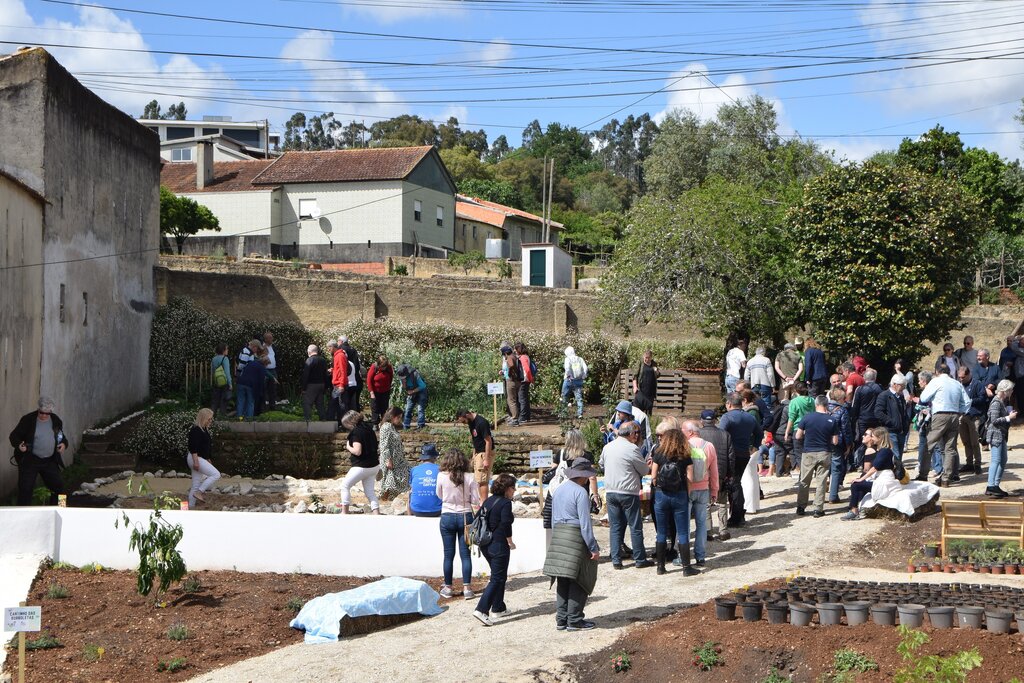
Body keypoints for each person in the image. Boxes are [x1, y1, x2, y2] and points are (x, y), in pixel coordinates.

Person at [543, 459, 601, 631]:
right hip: (574, 537)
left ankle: (561, 619)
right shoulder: (581, 492)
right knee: (579, 578)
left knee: (562, 578)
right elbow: (585, 524)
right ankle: (575, 619)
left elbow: (553, 519)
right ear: (583, 476)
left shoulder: (559, 490)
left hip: (559, 534)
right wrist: (593, 547)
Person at [599, 421, 652, 569]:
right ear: (631, 434)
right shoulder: (632, 449)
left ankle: (616, 560)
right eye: (636, 433)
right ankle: (640, 559)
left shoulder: (608, 447)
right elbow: (643, 470)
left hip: (610, 491)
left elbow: (601, 464)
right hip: (628, 492)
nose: (637, 436)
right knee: (635, 526)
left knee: (615, 526)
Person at [473, 473, 517, 626]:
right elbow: (506, 524)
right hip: (498, 545)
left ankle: (498, 607)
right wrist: (510, 541)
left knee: (500, 575)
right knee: (497, 578)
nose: (515, 490)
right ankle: (481, 609)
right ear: (506, 488)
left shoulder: (488, 501)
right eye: (513, 487)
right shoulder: (505, 503)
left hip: (485, 544)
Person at [650, 429, 695, 576]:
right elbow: (690, 479)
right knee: (682, 532)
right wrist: (687, 495)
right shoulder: (685, 455)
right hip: (680, 494)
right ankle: (686, 568)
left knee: (661, 532)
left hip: (661, 495)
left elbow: (654, 477)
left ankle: (660, 567)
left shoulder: (658, 454)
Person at [436, 448, 480, 600]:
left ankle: (448, 587)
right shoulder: (469, 477)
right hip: (465, 516)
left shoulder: (441, 476)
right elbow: (475, 500)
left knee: (448, 555)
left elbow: (439, 495)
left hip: (447, 515)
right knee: (465, 555)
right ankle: (467, 588)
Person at [9, 396, 68, 506]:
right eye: (42, 413)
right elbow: (14, 436)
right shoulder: (28, 419)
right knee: (25, 488)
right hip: (30, 460)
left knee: (59, 486)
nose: (44, 415)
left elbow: (61, 436)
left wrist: (64, 444)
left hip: (49, 460)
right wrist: (19, 445)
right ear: (38, 409)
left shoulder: (55, 420)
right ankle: (22, 514)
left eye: (47, 413)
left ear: (50, 412)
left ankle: (61, 508)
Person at [917, 367, 970, 487]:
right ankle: (946, 479)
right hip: (954, 415)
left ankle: (923, 474)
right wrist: (960, 411)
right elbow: (967, 402)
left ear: (937, 372)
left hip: (940, 414)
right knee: (950, 448)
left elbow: (923, 398)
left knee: (928, 445)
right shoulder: (957, 383)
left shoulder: (936, 381)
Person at [542, 430, 600, 533]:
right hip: (581, 490)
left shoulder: (561, 453)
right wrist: (595, 495)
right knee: (580, 517)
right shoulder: (587, 455)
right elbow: (592, 477)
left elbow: (554, 471)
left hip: (562, 490)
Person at [718, 392, 759, 527]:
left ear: (729, 404)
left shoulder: (727, 417)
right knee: (737, 483)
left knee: (734, 484)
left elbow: (721, 434)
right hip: (744, 454)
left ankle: (737, 516)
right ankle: (738, 514)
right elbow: (759, 433)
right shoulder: (750, 418)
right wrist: (754, 447)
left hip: (731, 454)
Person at [681, 420, 718, 568]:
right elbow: (714, 471)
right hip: (703, 489)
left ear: (690, 432)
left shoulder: (684, 446)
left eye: (682, 429)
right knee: (702, 524)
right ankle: (700, 556)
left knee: (684, 524)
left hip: (687, 488)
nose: (681, 432)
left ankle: (682, 556)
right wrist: (714, 490)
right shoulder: (709, 446)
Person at [795, 395, 839, 518]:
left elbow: (798, 436)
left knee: (804, 480)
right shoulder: (832, 420)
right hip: (824, 452)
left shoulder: (807, 417)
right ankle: (818, 509)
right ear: (827, 405)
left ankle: (801, 507)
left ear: (816, 404)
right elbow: (835, 441)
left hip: (808, 452)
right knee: (821, 481)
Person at [842, 427, 897, 520]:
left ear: (879, 438)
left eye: (873, 436)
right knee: (860, 485)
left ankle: (854, 511)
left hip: (884, 482)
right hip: (882, 479)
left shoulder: (884, 451)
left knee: (856, 485)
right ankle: (858, 507)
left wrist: (861, 479)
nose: (872, 438)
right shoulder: (884, 450)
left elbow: (874, 468)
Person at [699, 409, 734, 541]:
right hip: (720, 472)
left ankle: (708, 531)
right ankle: (723, 530)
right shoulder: (725, 434)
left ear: (701, 420)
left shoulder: (698, 435)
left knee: (706, 504)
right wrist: (729, 474)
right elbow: (731, 457)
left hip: (703, 473)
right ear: (715, 420)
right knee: (722, 503)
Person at [339, 410, 380, 514]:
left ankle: (345, 512)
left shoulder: (356, 432)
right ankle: (376, 513)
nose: (347, 427)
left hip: (361, 466)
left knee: (345, 486)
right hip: (374, 465)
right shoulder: (368, 428)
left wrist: (348, 447)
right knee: (370, 492)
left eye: (346, 425)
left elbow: (357, 451)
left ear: (350, 422)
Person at [456, 408, 494, 502]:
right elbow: (475, 439)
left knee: (482, 480)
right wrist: (474, 454)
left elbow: (488, 441)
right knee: (478, 479)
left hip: (484, 453)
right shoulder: (471, 422)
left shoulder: (481, 423)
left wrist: (486, 459)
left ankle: (484, 503)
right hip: (478, 453)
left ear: (467, 415)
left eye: (463, 421)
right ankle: (482, 500)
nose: (464, 423)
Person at [986, 380, 1017, 497]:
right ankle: (991, 485)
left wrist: (1009, 416)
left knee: (1003, 459)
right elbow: (994, 421)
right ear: (1005, 390)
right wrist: (1009, 417)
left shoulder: (1003, 402)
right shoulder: (996, 402)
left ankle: (995, 485)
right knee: (996, 460)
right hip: (996, 434)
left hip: (1001, 434)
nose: (1012, 392)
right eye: (1010, 390)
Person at [186, 408, 220, 508]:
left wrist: (208, 459)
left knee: (195, 484)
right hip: (195, 457)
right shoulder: (196, 429)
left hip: (199, 458)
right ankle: (199, 492)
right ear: (203, 418)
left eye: (211, 419)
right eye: (209, 419)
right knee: (216, 474)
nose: (210, 421)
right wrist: (196, 461)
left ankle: (190, 507)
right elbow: (193, 447)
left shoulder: (204, 430)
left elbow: (206, 447)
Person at [849, 368, 883, 468]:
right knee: (876, 439)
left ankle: (860, 462)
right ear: (875, 378)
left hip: (863, 419)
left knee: (862, 440)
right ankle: (874, 461)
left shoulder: (860, 389)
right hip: (876, 418)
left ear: (864, 378)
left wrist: (853, 418)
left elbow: (855, 405)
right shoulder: (880, 388)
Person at [958, 366, 987, 475]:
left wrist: (969, 401)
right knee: (966, 442)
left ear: (969, 374)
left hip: (974, 416)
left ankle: (977, 464)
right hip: (962, 416)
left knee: (974, 442)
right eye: (959, 377)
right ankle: (969, 463)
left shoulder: (977, 384)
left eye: (963, 377)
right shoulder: (959, 385)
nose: (961, 379)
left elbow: (982, 399)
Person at [826, 388, 854, 503]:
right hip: (837, 442)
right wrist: (849, 445)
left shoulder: (823, 408)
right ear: (840, 399)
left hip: (823, 442)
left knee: (824, 468)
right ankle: (833, 495)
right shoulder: (842, 411)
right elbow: (846, 429)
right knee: (836, 468)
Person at [738, 390, 763, 515]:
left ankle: (749, 506)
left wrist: (753, 445)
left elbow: (752, 431)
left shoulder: (751, 412)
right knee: (752, 476)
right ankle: (754, 505)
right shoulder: (753, 411)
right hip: (753, 447)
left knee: (747, 477)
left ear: (745, 400)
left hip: (749, 447)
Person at [378, 406, 410, 501]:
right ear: (392, 416)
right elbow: (384, 445)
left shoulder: (391, 426)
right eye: (398, 417)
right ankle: (384, 499)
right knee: (389, 481)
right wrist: (388, 460)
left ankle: (388, 499)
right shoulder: (386, 427)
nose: (400, 420)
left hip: (396, 460)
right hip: (390, 460)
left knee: (393, 480)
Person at [874, 375, 908, 462]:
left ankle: (898, 474)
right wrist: (891, 422)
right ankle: (896, 474)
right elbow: (878, 413)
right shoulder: (884, 395)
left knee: (899, 457)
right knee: (895, 457)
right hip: (891, 431)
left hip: (901, 431)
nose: (903, 388)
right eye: (902, 385)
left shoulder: (900, 396)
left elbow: (903, 412)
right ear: (895, 384)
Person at [784, 382, 815, 478]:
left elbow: (791, 418)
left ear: (795, 391)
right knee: (809, 453)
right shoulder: (812, 400)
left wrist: (786, 432)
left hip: (798, 429)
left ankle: (803, 477)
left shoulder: (794, 401)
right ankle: (809, 474)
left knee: (799, 454)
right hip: (810, 430)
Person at [409, 444, 443, 517]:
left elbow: (412, 488)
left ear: (422, 458)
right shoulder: (441, 470)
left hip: (416, 510)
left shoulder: (414, 469)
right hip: (437, 511)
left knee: (410, 493)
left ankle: (409, 519)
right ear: (435, 457)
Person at [237, 353, 275, 419]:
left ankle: (239, 418)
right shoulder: (262, 368)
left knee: (240, 401)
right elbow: (260, 382)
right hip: (250, 385)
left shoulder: (251, 363)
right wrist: (260, 393)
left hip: (241, 383)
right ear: (265, 363)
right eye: (267, 365)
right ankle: (248, 419)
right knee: (250, 402)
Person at [299, 344, 328, 421]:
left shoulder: (309, 360)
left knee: (307, 403)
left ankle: (308, 420)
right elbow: (325, 374)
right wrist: (326, 387)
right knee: (320, 404)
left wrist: (303, 388)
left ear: (309, 351)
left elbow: (306, 375)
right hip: (321, 384)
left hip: (311, 385)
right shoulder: (323, 360)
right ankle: (323, 420)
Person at [396, 363, 428, 430]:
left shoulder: (415, 374)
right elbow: (405, 388)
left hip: (421, 391)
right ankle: (406, 426)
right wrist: (403, 382)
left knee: (420, 409)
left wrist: (413, 391)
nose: (402, 378)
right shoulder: (401, 376)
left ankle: (421, 425)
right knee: (408, 409)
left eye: (403, 377)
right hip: (411, 392)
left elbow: (423, 386)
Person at [366, 355, 394, 427]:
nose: (384, 368)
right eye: (382, 366)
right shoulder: (374, 367)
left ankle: (384, 423)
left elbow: (391, 377)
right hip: (375, 391)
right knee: (375, 407)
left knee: (384, 407)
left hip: (385, 390)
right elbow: (369, 380)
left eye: (385, 366)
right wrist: (371, 392)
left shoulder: (389, 367)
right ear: (379, 365)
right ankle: (375, 423)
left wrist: (388, 386)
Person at [561, 347, 588, 418]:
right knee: (579, 397)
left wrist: (569, 376)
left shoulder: (567, 359)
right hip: (578, 380)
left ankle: (563, 413)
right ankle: (580, 414)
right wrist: (583, 376)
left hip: (569, 380)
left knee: (564, 396)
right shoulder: (580, 359)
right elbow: (585, 368)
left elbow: (567, 368)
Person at [501, 346, 523, 426]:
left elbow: (511, 365)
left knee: (511, 400)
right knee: (514, 399)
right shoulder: (515, 356)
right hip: (518, 381)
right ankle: (516, 417)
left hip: (511, 381)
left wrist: (509, 373)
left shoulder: (510, 357)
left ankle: (514, 419)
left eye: (503, 354)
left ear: (505, 353)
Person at [340, 335, 362, 412]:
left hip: (346, 378)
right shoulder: (353, 349)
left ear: (341, 341)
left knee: (345, 402)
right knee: (354, 402)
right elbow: (357, 365)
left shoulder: (341, 350)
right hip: (354, 378)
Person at [210, 343, 233, 417]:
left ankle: (212, 417)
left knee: (215, 401)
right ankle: (222, 417)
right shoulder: (225, 359)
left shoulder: (214, 359)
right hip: (224, 382)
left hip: (217, 382)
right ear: (223, 350)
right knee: (224, 400)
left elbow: (213, 371)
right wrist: (230, 383)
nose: (227, 350)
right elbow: (227, 372)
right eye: (227, 349)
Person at [331, 342, 350, 427]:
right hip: (338, 383)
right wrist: (333, 370)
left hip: (339, 385)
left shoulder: (339, 356)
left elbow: (343, 371)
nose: (328, 350)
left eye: (329, 348)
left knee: (341, 405)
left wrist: (341, 384)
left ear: (333, 347)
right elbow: (340, 370)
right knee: (339, 405)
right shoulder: (338, 355)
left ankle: (342, 424)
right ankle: (340, 423)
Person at [515, 342, 534, 423]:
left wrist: (530, 378)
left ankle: (523, 416)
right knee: (525, 398)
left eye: (515, 349)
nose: (514, 351)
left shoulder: (522, 357)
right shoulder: (526, 356)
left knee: (522, 398)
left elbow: (527, 369)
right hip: (526, 380)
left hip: (523, 380)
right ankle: (527, 416)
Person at [263, 331, 278, 412]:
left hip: (273, 369)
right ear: (266, 339)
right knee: (264, 388)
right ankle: (264, 406)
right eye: (270, 337)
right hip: (265, 370)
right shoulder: (262, 347)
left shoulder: (273, 347)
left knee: (273, 389)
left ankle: (272, 406)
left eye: (272, 337)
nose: (272, 339)